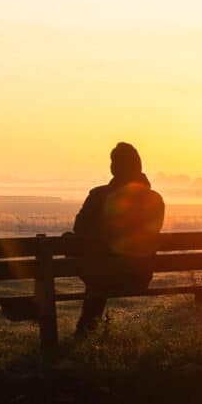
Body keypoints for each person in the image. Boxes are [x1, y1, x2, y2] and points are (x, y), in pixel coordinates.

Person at [71, 142, 164, 338]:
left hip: (103, 275)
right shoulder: (155, 199)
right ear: (138, 167)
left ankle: (86, 329)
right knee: (103, 266)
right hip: (139, 277)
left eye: (113, 162)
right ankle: (86, 329)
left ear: (115, 167)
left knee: (73, 244)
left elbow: (78, 229)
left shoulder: (98, 195)